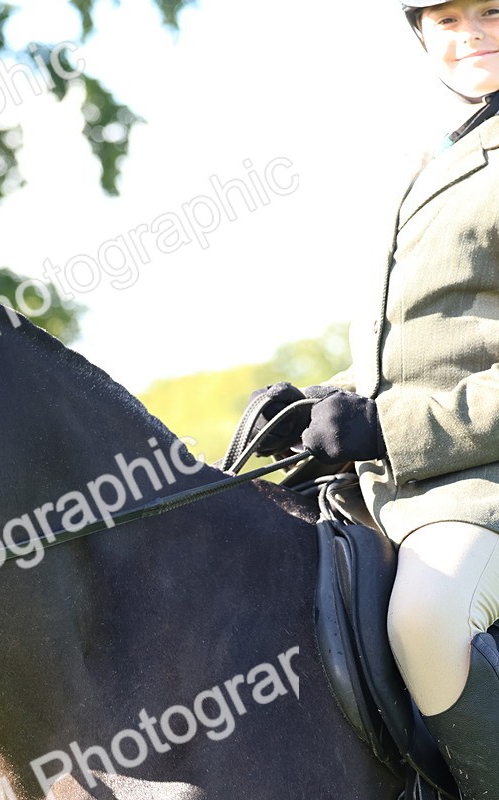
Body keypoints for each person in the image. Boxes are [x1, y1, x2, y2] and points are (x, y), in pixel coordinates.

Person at [246, 2, 499, 795]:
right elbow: (428, 345)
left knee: (424, 620)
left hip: (481, 486)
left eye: (492, 11)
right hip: (401, 484)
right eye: (449, 18)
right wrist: (327, 403)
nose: (472, 34)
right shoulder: (433, 156)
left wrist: (383, 428)